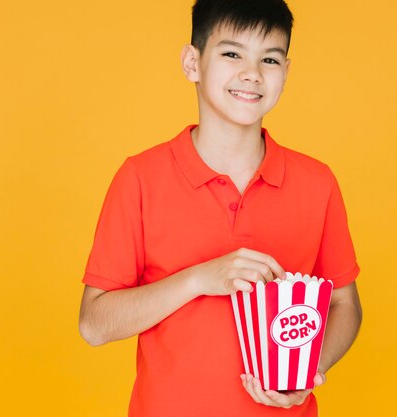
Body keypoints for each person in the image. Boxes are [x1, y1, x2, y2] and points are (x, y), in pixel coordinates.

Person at [78, 1, 362, 416]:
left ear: (286, 71)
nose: (252, 73)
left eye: (270, 58)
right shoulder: (140, 177)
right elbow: (94, 324)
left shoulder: (317, 182)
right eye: (232, 53)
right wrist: (199, 279)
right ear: (192, 63)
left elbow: (344, 304)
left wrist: (312, 368)